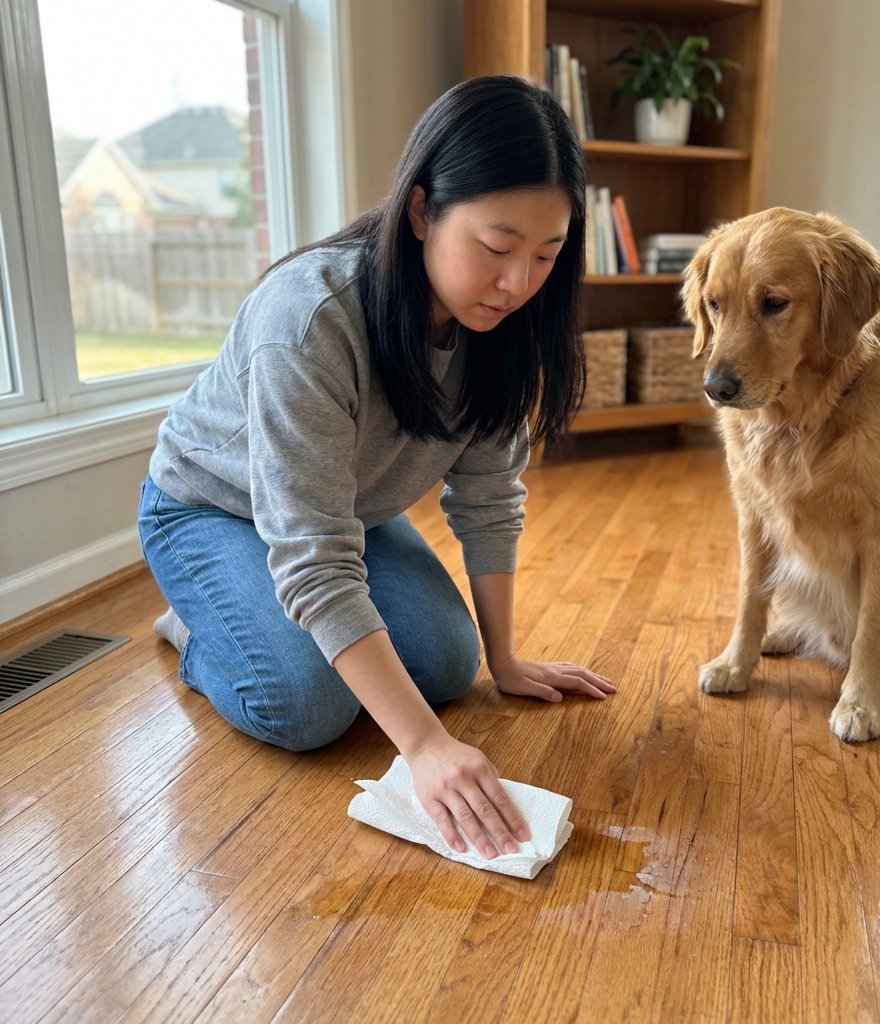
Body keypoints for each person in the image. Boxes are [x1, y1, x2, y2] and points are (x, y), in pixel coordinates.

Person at [137, 75, 615, 862]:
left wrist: (505, 658)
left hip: (346, 509)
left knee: (448, 664)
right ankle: (195, 626)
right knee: (304, 706)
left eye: (545, 255)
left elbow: (489, 497)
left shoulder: (503, 324)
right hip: (210, 508)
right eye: (496, 248)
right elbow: (313, 551)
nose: (519, 283)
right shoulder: (308, 318)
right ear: (423, 211)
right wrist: (426, 750)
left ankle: (259, 620)